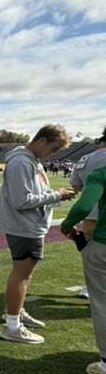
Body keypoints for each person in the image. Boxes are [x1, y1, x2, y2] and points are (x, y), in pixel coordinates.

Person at [0, 124, 77, 344]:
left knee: (22, 274)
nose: (53, 154)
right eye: (53, 149)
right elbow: (21, 200)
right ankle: (12, 325)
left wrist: (55, 195)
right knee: (21, 275)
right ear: (41, 140)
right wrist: (56, 196)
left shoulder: (29, 160)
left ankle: (15, 311)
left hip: (28, 225)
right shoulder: (22, 162)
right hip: (24, 227)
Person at [61, 165, 106, 374]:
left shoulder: (102, 173)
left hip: (104, 245)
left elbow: (85, 206)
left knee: (102, 303)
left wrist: (68, 224)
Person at [69, 126, 106, 300]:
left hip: (91, 214)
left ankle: (87, 287)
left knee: (91, 256)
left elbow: (76, 186)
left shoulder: (86, 159)